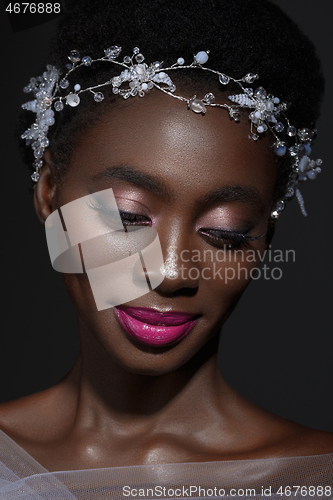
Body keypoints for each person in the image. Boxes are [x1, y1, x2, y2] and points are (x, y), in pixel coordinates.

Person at [0, 0, 332, 497]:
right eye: (129, 216)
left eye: (227, 231)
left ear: (265, 239)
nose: (172, 270)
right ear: (49, 191)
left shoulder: (313, 478)